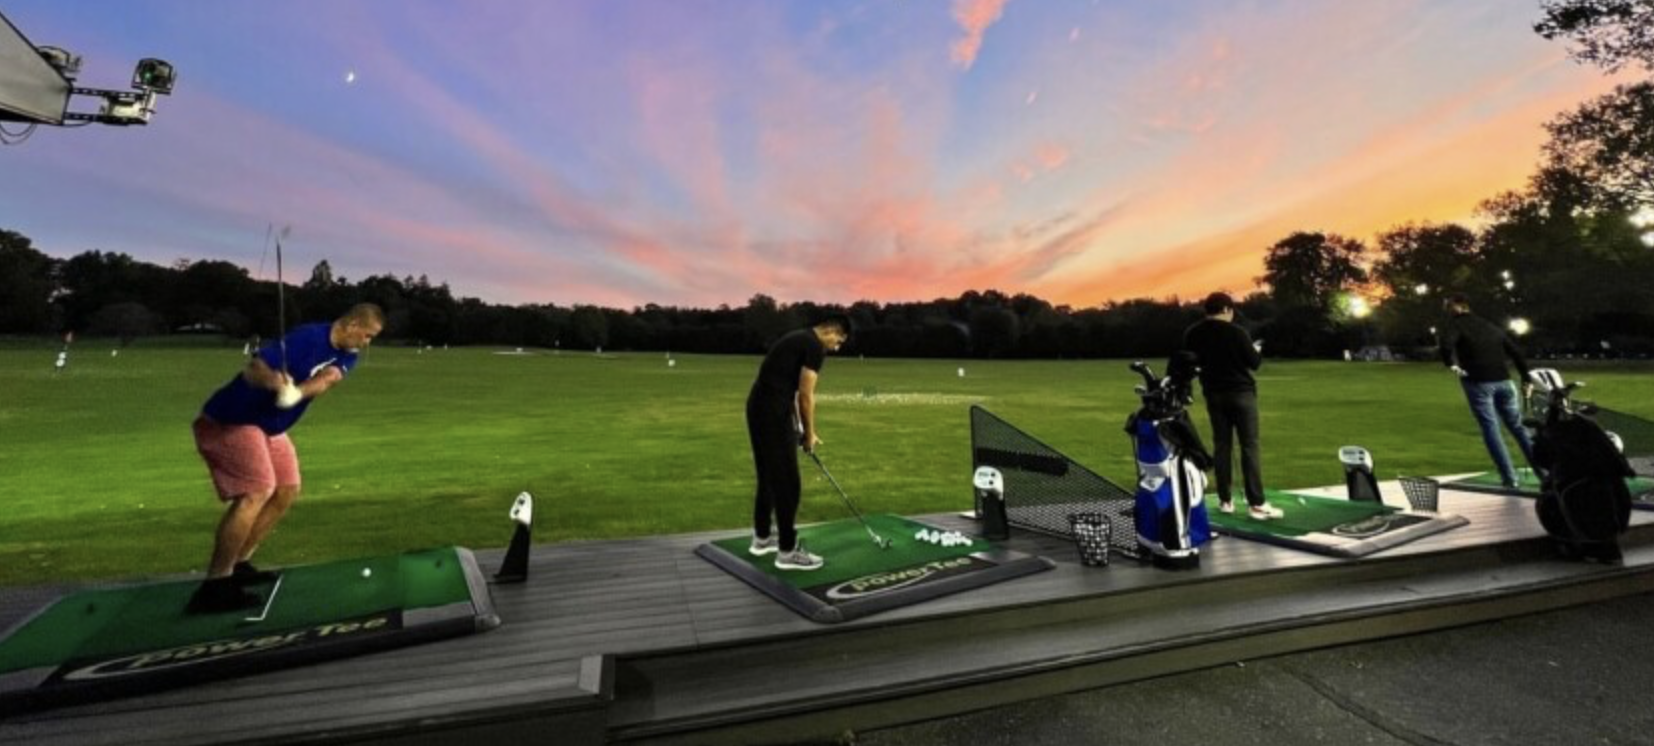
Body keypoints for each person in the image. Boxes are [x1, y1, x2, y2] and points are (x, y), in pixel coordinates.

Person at [187, 303, 385, 612]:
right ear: (352, 325)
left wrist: (297, 393)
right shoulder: (307, 337)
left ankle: (239, 563)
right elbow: (254, 370)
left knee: (286, 489)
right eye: (368, 335)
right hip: (232, 419)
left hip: (269, 426)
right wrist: (276, 383)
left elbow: (328, 379)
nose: (367, 342)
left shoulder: (349, 354)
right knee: (256, 491)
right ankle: (216, 585)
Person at [746, 315, 851, 571]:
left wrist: (800, 428)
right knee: (788, 484)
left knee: (768, 477)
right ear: (831, 330)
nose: (836, 348)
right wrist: (810, 434)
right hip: (773, 412)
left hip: (758, 407)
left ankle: (762, 538)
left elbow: (787, 389)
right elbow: (805, 395)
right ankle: (787, 551)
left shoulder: (798, 338)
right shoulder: (814, 346)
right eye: (838, 341)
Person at [1180, 292, 1281, 520]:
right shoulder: (1237, 332)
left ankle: (1225, 500)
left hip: (1213, 394)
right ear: (1226, 309)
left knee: (1222, 445)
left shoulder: (1193, 333)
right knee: (1249, 446)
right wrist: (1255, 350)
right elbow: (1254, 363)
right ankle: (1256, 503)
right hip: (1241, 394)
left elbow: (1189, 363)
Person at [1438, 294, 1537, 489]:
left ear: (1456, 306)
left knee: (1491, 428)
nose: (1446, 311)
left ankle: (1509, 478)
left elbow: (1446, 345)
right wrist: (1526, 379)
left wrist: (1451, 364)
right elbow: (1516, 352)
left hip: (1478, 382)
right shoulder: (1490, 326)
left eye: (1447, 307)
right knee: (1518, 427)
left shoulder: (1455, 325)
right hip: (1505, 382)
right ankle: (1546, 473)